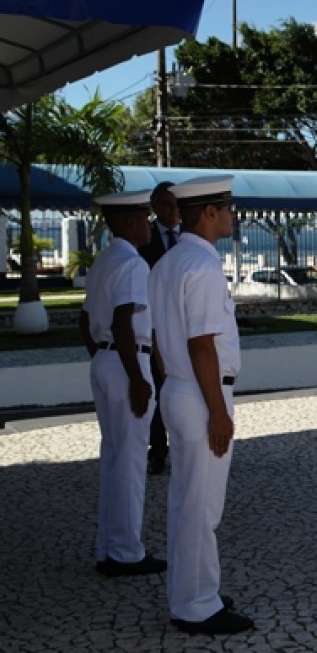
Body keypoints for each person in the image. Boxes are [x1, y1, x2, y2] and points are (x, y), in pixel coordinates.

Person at [148, 175, 253, 635]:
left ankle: (192, 592)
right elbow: (202, 344)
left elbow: (158, 339)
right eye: (227, 208)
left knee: (187, 502)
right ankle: (196, 606)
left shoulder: (167, 263)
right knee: (201, 507)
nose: (232, 216)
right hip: (201, 392)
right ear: (209, 213)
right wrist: (218, 411)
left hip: (178, 387)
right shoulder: (203, 266)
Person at [78, 189, 167, 579]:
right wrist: (136, 377)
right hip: (126, 362)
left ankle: (110, 548)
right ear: (130, 222)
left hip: (106, 360)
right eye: (145, 218)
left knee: (114, 459)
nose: (149, 225)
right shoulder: (133, 264)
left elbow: (85, 320)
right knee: (129, 463)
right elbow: (122, 321)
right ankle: (126, 553)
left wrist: (102, 357)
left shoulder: (103, 261)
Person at [138, 181, 181, 476]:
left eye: (176, 204)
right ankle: (158, 450)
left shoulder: (189, 237)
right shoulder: (144, 239)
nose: (172, 210)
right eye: (166, 204)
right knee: (157, 388)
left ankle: (184, 447)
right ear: (154, 207)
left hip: (185, 328)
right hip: (154, 326)